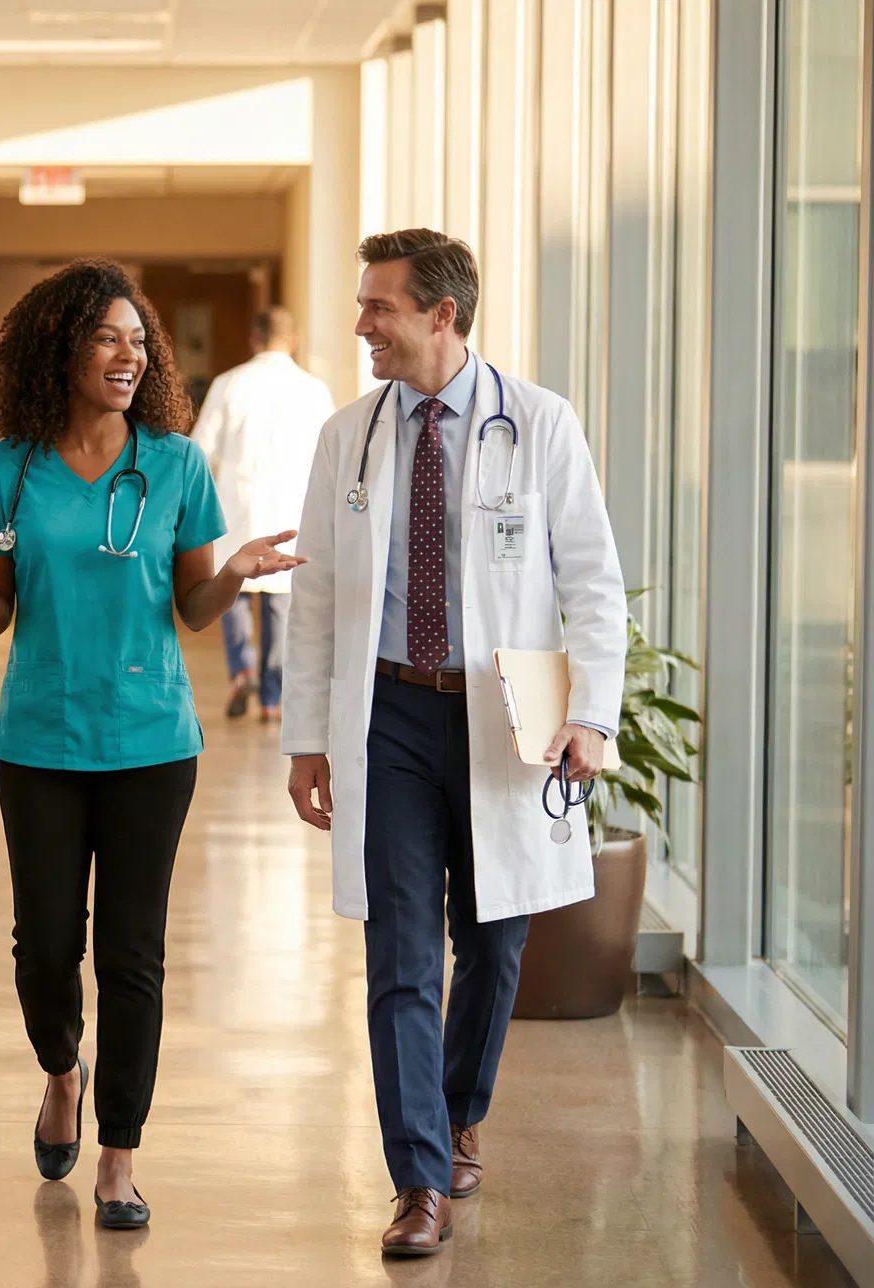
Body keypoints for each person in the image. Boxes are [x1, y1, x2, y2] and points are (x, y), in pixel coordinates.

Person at [0, 260, 300, 1231]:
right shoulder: (10, 466)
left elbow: (195, 608)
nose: (128, 356)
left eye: (138, 340)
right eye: (106, 338)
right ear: (61, 349)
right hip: (38, 737)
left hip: (151, 741)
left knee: (133, 956)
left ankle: (119, 1152)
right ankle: (61, 1068)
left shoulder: (174, 462)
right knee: (44, 947)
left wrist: (236, 570)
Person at [282, 229, 626, 1257]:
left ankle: (461, 1107)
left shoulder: (541, 424)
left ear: (442, 314)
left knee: (496, 939)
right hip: (386, 715)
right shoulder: (349, 435)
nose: (360, 326)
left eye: (378, 307)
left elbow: (592, 581)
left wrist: (592, 714)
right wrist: (309, 737)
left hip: (502, 714)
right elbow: (314, 598)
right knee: (399, 951)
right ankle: (419, 1175)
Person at [191, 307, 334, 720]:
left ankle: (241, 671)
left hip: (237, 504)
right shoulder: (313, 390)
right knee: (281, 602)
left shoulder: (229, 384)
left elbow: (202, 451)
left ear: (254, 338)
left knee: (232, 592)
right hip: (291, 508)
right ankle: (273, 699)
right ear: (292, 340)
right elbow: (328, 459)